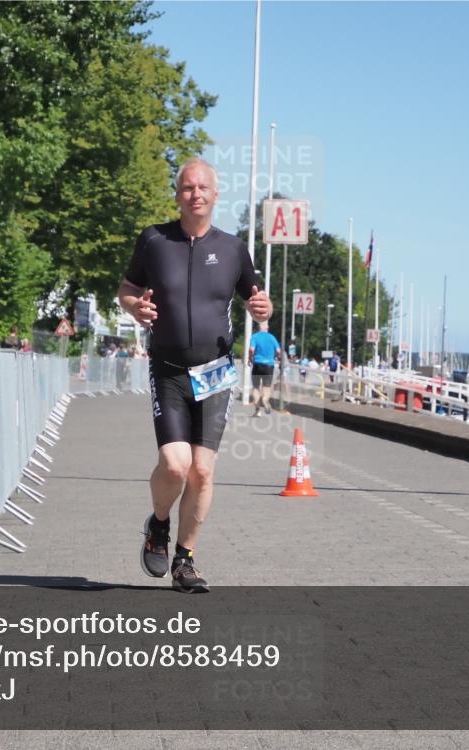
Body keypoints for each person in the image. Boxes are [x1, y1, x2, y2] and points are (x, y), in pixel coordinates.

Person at [117, 157, 271, 593]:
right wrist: (134, 306)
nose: (195, 194)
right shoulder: (154, 241)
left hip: (216, 374)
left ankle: (185, 561)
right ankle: (158, 523)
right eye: (187, 188)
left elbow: (258, 299)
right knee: (174, 464)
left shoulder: (234, 249)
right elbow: (126, 288)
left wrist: (264, 309)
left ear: (215, 195)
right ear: (178, 194)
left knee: (202, 472)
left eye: (203, 188)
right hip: (167, 367)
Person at [248, 321, 280, 416]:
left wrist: (250, 358)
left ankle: (258, 410)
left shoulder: (255, 337)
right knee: (266, 387)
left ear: (258, 328)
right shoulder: (272, 337)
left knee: (256, 387)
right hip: (269, 365)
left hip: (257, 364)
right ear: (267, 327)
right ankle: (265, 400)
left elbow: (251, 349)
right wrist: (273, 356)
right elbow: (278, 351)